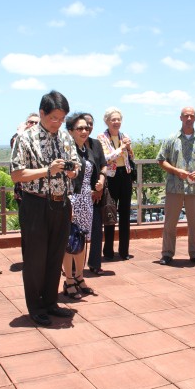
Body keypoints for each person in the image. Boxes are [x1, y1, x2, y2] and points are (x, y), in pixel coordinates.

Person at [10, 90, 80, 327]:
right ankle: (36, 306)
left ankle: (50, 301)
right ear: (42, 113)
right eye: (54, 118)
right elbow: (16, 174)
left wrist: (72, 170)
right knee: (35, 258)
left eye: (62, 119)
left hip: (61, 202)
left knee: (55, 256)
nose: (58, 123)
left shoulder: (65, 137)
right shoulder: (25, 138)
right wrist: (47, 170)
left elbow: (75, 165)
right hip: (35, 203)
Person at [157, 106, 195, 266]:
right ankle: (167, 253)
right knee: (170, 222)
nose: (189, 118)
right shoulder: (171, 139)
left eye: (191, 116)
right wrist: (176, 171)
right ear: (180, 118)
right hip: (174, 187)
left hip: (194, 188)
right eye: (186, 116)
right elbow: (161, 160)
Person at [62, 113, 105, 297]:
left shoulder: (86, 150)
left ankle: (79, 277)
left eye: (87, 128)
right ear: (70, 131)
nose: (84, 131)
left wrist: (100, 182)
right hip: (72, 199)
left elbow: (98, 168)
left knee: (81, 241)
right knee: (69, 242)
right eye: (79, 128)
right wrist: (68, 204)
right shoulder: (66, 150)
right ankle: (69, 281)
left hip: (86, 200)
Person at [97, 107, 135, 261]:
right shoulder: (101, 137)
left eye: (118, 119)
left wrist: (129, 147)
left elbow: (131, 156)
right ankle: (108, 251)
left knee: (125, 213)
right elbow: (106, 158)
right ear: (107, 121)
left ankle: (124, 251)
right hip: (111, 177)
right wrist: (121, 148)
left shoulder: (124, 136)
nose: (116, 122)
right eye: (113, 119)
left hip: (125, 176)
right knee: (110, 212)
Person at [82, 112, 107, 275]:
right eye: (84, 125)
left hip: (97, 194)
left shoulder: (96, 144)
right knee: (76, 232)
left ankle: (95, 263)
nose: (87, 127)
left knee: (97, 230)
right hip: (79, 195)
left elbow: (104, 165)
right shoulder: (71, 145)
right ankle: (72, 267)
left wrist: (101, 184)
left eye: (90, 124)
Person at [10, 113, 40, 208]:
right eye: (31, 122)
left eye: (37, 122)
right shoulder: (18, 138)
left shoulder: (44, 141)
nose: (34, 124)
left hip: (39, 188)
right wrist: (21, 133)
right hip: (22, 187)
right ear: (26, 124)